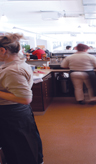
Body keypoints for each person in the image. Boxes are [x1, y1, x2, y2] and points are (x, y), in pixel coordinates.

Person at [0, 33, 43, 164]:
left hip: (12, 113)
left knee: (19, 148)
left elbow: (25, 98)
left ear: (2, 50)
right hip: (17, 112)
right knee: (25, 143)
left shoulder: (12, 70)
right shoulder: (15, 64)